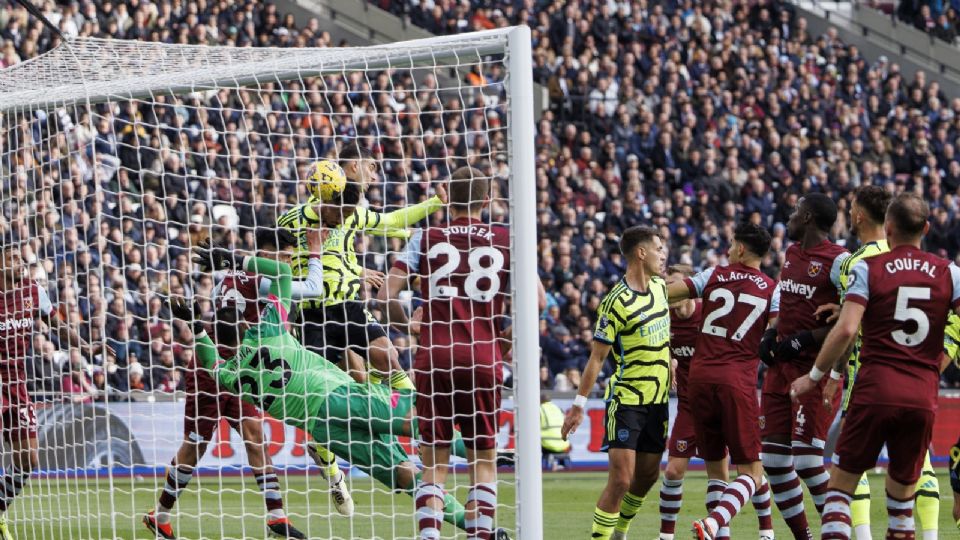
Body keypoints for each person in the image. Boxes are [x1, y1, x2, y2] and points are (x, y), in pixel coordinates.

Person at [179, 243, 498, 538]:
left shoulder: (231, 377)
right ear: (246, 326)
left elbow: (209, 361)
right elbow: (285, 274)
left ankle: (470, 525)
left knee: (402, 474)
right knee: (416, 421)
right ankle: (484, 455)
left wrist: (196, 329)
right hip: (340, 397)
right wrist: (235, 260)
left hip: (321, 427)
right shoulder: (270, 329)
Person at [790, 193, 960, 540]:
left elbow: (847, 330)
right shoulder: (950, 273)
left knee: (840, 487)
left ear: (890, 227)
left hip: (874, 388)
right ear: (926, 228)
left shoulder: (867, 267)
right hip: (922, 396)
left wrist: (816, 376)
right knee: (902, 499)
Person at [143, 228, 327, 540]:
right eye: (284, 255)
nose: (288, 261)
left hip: (244, 366)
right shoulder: (265, 278)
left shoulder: (228, 275)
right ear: (268, 253)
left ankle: (276, 517)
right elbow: (312, 288)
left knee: (255, 435)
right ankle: (159, 516)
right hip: (214, 366)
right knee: (196, 445)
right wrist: (315, 253)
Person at [381, 166, 511, 540]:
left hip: (434, 356)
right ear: (487, 200)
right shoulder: (505, 236)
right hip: (484, 358)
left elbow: (385, 295)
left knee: (434, 465)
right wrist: (505, 336)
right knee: (483, 462)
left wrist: (410, 327)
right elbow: (534, 300)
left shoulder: (425, 235)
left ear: (446, 197)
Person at [277, 144, 446, 389]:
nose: (345, 220)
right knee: (325, 386)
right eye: (341, 215)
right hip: (312, 315)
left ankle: (414, 414)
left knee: (387, 357)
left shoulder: (354, 214)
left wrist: (434, 203)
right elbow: (280, 262)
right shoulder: (292, 221)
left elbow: (391, 220)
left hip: (348, 306)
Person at [663, 222, 780, 540]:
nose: (728, 250)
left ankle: (722, 533)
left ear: (741, 249)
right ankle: (715, 523)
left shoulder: (713, 275)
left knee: (716, 469)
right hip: (736, 382)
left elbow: (667, 293)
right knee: (752, 473)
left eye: (731, 244)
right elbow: (778, 332)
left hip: (699, 381)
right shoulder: (771, 288)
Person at [560, 225, 670, 540]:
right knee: (622, 479)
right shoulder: (615, 302)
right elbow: (596, 359)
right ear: (641, 252)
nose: (662, 255)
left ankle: (620, 530)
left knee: (648, 476)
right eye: (658, 248)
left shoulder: (661, 288)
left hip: (658, 400)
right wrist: (578, 406)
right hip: (626, 401)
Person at [757, 193, 848, 539]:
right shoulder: (792, 254)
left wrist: (808, 338)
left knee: (809, 461)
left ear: (808, 217)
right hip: (780, 370)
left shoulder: (840, 261)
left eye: (795, 211)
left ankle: (838, 534)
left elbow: (851, 318)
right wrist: (772, 332)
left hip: (816, 370)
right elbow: (789, 301)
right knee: (775, 463)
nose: (790, 216)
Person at [0, 241, 104, 540]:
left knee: (27, 460)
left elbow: (57, 326)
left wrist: (85, 347)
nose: (20, 263)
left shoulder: (34, 292)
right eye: (12, 258)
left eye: (21, 258)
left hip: (17, 383)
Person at [540, 394, 571, 471]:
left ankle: (552, 462)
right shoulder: (558, 409)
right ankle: (561, 463)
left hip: (547, 443)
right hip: (564, 443)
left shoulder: (540, 409)